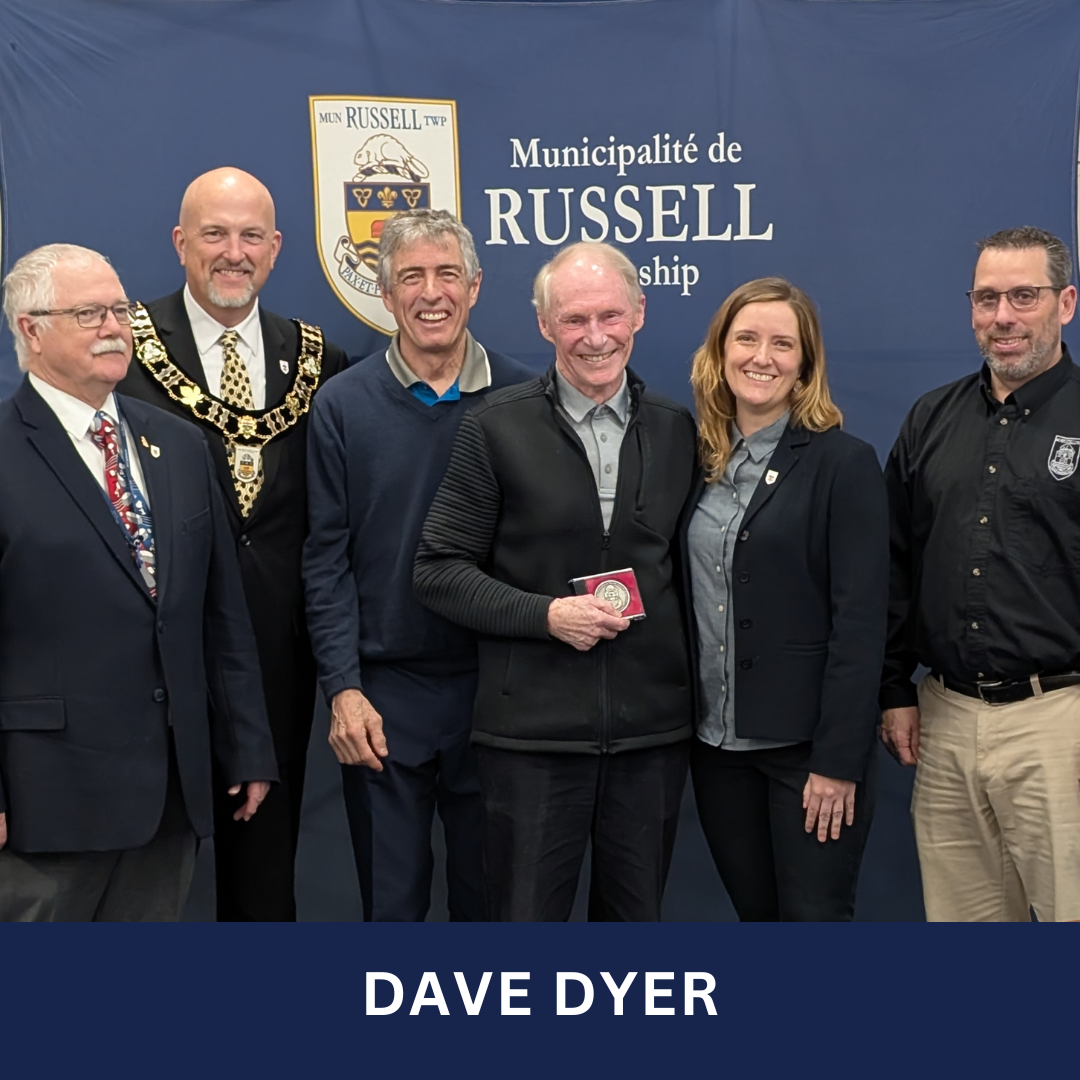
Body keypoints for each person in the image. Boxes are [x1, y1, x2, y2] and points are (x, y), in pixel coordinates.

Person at [413, 241, 697, 922]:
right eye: (574, 320)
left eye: (609, 316)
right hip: (531, 744)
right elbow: (438, 570)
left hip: (649, 741)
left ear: (639, 314)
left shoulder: (679, 430)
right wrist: (547, 616)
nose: (594, 338)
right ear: (544, 325)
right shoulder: (494, 429)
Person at [0, 243, 277, 921]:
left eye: (119, 310)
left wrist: (246, 744)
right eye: (89, 313)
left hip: (169, 800)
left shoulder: (179, 445)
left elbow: (221, 615)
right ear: (31, 331)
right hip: (47, 807)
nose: (114, 327)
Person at [117, 167, 348, 921]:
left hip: (277, 653)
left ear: (277, 248)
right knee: (142, 870)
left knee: (263, 869)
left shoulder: (318, 360)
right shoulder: (122, 348)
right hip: (153, 654)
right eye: (214, 233)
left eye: (251, 235)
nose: (233, 252)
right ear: (182, 242)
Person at [303, 209, 532, 921]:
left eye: (447, 275)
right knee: (391, 908)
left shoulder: (527, 398)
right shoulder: (341, 405)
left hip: (500, 691)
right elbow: (325, 560)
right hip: (384, 695)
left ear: (475, 286)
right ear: (386, 293)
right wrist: (343, 688)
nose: (431, 293)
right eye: (411, 277)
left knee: (493, 905)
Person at [881, 226, 1080, 922]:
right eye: (987, 297)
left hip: (1060, 720)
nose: (1003, 316)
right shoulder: (931, 419)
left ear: (1066, 303)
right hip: (945, 718)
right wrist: (892, 689)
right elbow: (894, 567)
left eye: (1024, 296)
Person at [685, 278, 888, 921]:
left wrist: (837, 762)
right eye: (745, 339)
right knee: (757, 921)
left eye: (782, 343)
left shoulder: (843, 465)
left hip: (807, 756)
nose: (761, 357)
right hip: (717, 748)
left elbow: (860, 625)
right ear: (720, 353)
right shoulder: (695, 464)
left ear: (805, 364)